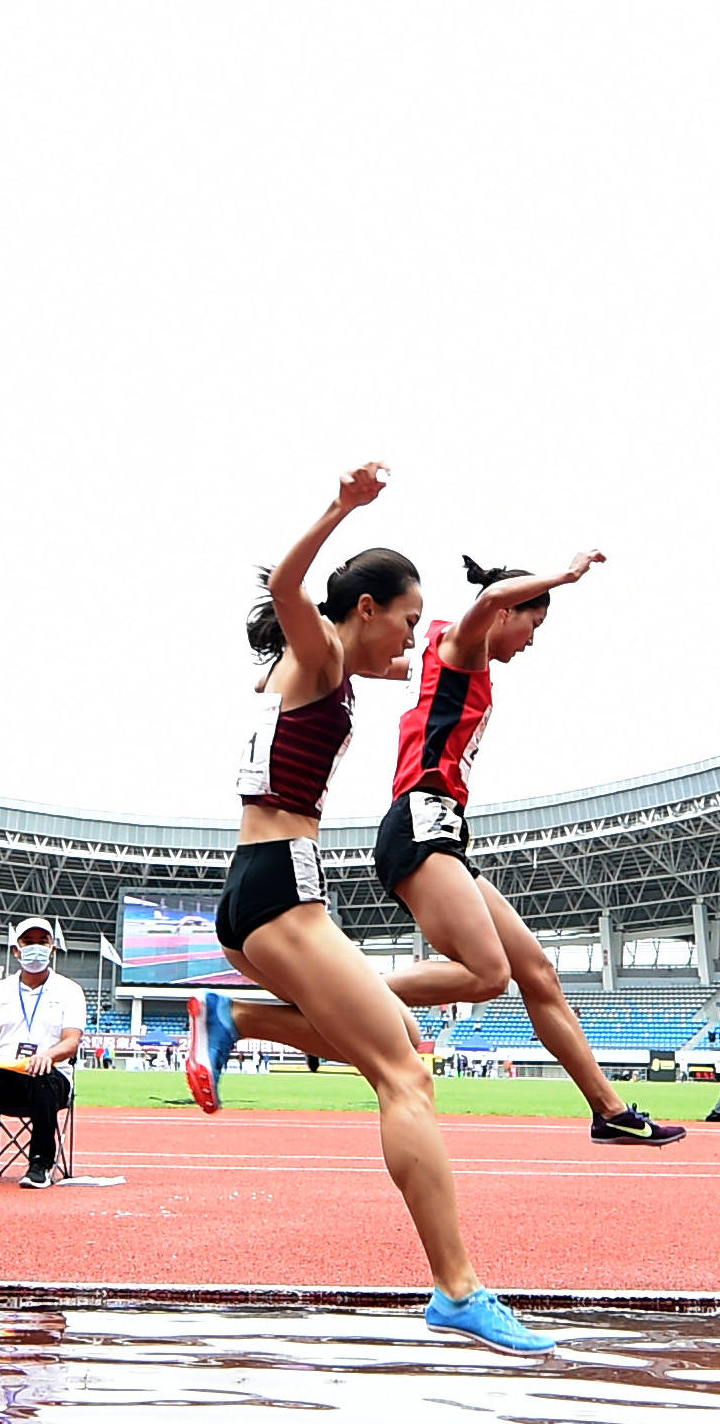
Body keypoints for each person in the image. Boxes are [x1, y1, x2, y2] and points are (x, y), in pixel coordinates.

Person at [185, 463, 551, 1356]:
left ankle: (231, 1018)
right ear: (363, 610)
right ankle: (457, 1289)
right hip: (280, 890)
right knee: (405, 1075)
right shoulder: (313, 656)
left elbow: (415, 670)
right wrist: (341, 510)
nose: (412, 638)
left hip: (265, 886)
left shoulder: (326, 666)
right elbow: (286, 586)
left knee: (386, 1043)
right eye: (406, 620)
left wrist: (455, 653)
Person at [356, 554, 682, 1146]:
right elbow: (480, 608)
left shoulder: (438, 648)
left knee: (537, 972)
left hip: (444, 831)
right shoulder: (463, 644)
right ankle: (345, 992)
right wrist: (563, 576)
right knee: (487, 976)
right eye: (533, 624)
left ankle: (608, 1111)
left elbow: (379, 661)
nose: (532, 642)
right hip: (420, 821)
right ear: (508, 609)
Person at [0, 917, 84, 1189]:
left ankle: (40, 1163)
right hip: (5, 1074)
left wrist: (47, 1057)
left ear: (53, 948)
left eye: (42, 942)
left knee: (43, 1075)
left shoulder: (70, 990)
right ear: (16, 949)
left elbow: (72, 1041)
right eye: (28, 942)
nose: (35, 947)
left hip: (50, 1076)